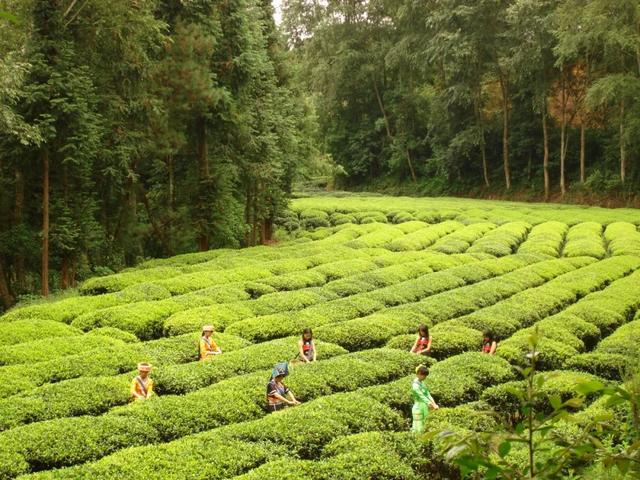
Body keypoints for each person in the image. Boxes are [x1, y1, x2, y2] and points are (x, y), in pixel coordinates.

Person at [411, 364, 438, 434]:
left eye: (425, 375)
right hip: (419, 407)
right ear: (418, 374)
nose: (424, 377)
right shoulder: (415, 385)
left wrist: (434, 403)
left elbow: (427, 394)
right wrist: (431, 404)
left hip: (425, 406)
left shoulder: (422, 383)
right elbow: (422, 396)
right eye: (423, 375)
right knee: (419, 426)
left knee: (426, 424)